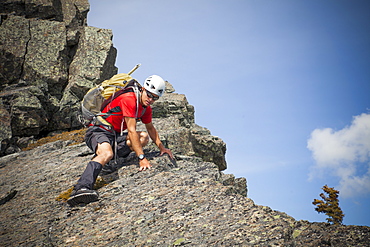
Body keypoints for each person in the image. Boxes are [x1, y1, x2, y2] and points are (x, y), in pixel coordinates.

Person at [67, 75, 174, 206]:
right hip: (98, 130)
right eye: (149, 94)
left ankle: (108, 162)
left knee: (143, 138)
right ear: (143, 89)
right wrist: (141, 158)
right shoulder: (129, 99)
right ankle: (81, 188)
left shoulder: (145, 108)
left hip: (114, 135)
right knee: (106, 153)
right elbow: (131, 130)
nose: (151, 99)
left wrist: (162, 148)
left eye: (155, 97)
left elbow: (150, 128)